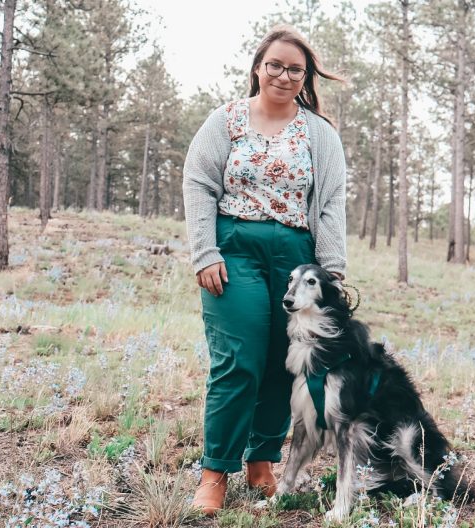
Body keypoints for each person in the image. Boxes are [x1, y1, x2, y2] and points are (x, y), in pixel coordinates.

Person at [182, 24, 348, 515]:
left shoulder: (320, 133)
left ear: (305, 77)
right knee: (238, 360)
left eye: (295, 69)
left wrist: (331, 273)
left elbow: (331, 204)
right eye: (275, 64)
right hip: (234, 248)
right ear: (258, 67)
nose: (284, 74)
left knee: (284, 359)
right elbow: (199, 184)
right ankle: (216, 471)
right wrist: (205, 253)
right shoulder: (226, 119)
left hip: (297, 256)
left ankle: (261, 461)